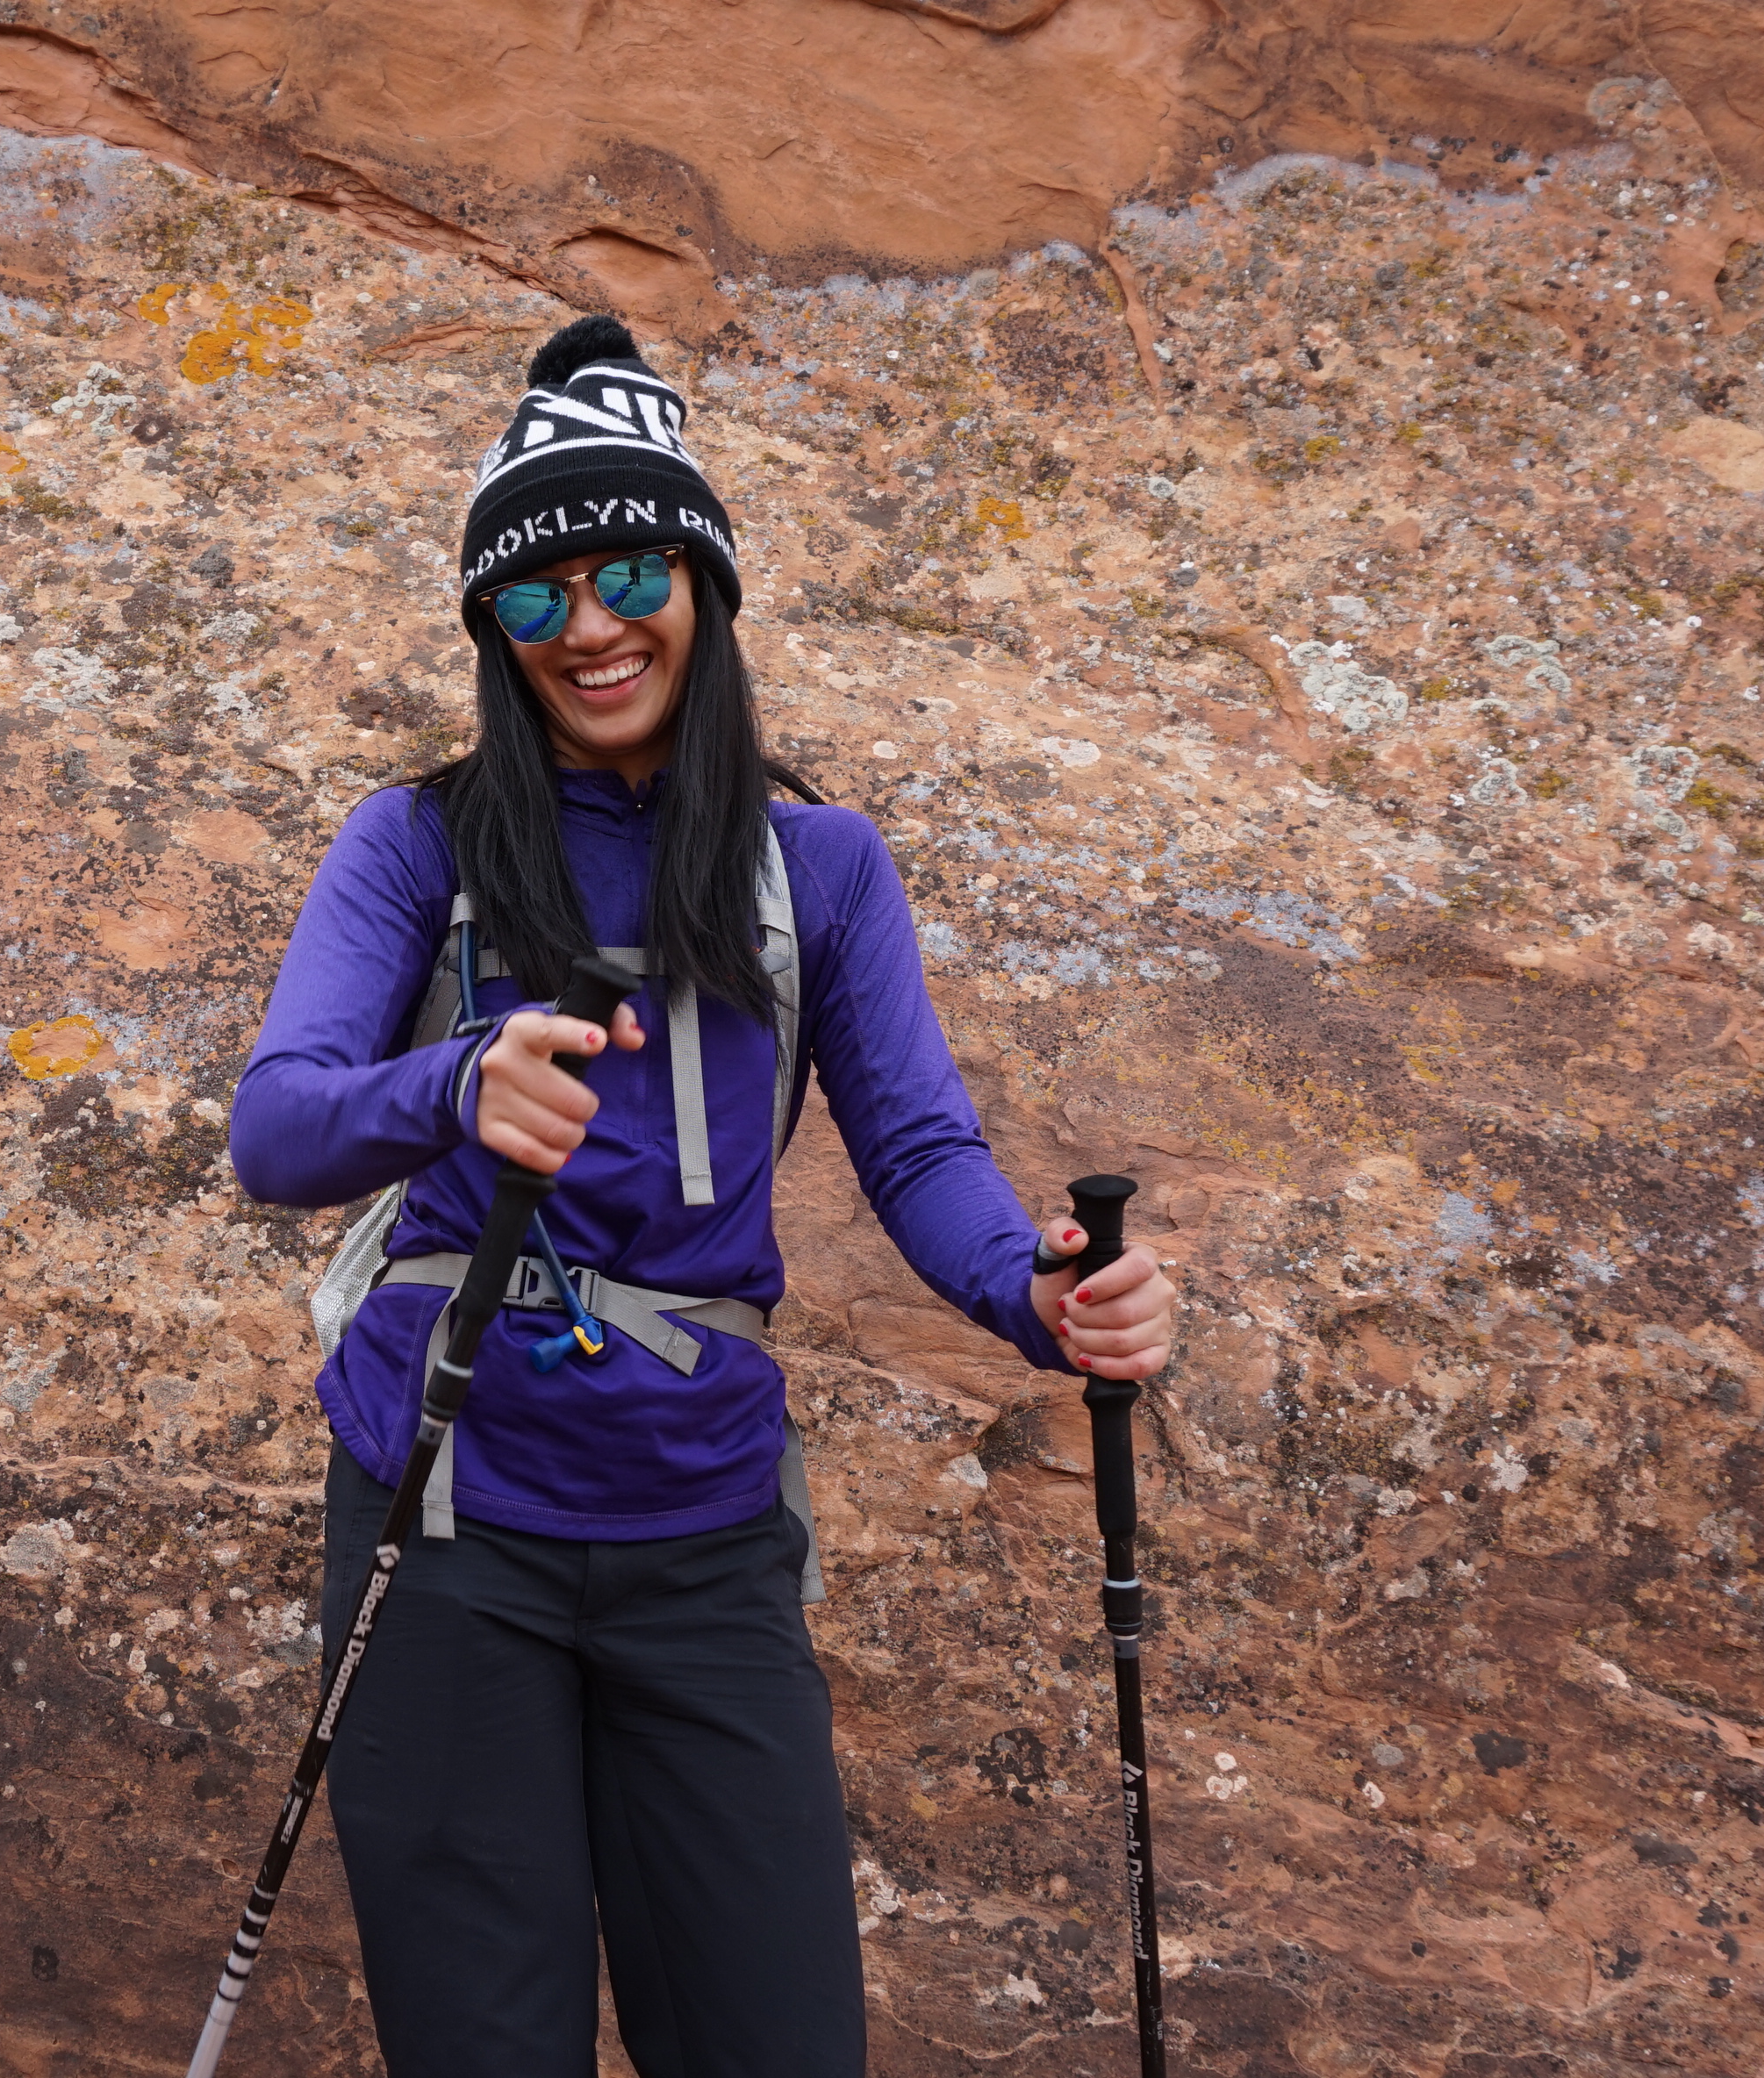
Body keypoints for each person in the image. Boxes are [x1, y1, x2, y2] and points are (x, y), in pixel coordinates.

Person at [225, 315, 1176, 2077]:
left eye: (631, 570)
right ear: (491, 635)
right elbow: (274, 1131)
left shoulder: (819, 866)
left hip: (703, 1539)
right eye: (533, 597)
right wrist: (454, 1083)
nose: (587, 625)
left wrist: (1036, 1301)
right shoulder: (415, 846)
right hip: (442, 1514)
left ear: (704, 584)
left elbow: (914, 1150)